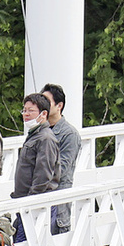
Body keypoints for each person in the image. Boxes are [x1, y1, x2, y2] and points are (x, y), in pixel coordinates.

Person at [12, 93, 59, 242]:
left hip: (35, 205)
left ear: (43, 113)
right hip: (25, 203)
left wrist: (30, 201)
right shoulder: (34, 135)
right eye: (24, 110)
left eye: (30, 111)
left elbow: (43, 175)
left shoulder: (46, 138)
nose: (26, 114)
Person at [41, 83, 80, 234]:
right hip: (37, 200)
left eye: (47, 102)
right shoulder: (39, 131)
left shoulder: (69, 134)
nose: (42, 106)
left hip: (57, 204)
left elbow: (61, 171)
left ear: (59, 106)